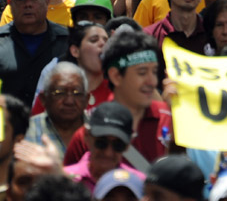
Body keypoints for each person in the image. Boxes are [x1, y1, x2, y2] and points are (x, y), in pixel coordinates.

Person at [64, 27, 173, 168]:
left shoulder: (170, 119)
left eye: (154, 72)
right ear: (116, 76)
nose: (152, 81)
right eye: (142, 72)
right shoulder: (90, 132)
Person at [64, 102, 145, 193]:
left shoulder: (140, 184)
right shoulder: (63, 181)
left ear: (128, 145)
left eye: (118, 145)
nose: (108, 153)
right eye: (101, 143)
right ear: (87, 137)